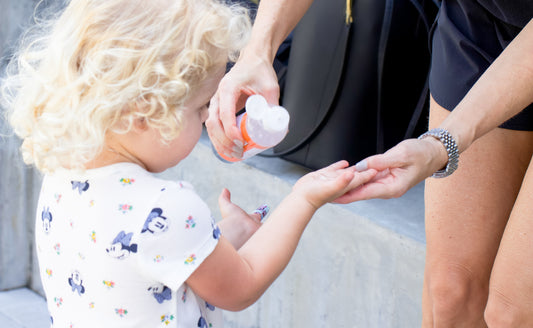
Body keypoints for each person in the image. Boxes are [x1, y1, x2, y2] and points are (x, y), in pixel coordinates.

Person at [1, 0, 377, 327]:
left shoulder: (62, 176)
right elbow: (242, 286)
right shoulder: (167, 206)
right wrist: (303, 199)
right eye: (200, 107)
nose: (204, 120)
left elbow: (151, 266)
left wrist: (224, 238)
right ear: (144, 113)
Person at [206, 0, 533, 326]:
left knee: (513, 310)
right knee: (450, 292)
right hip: (482, 18)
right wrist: (257, 52)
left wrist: (440, 144)